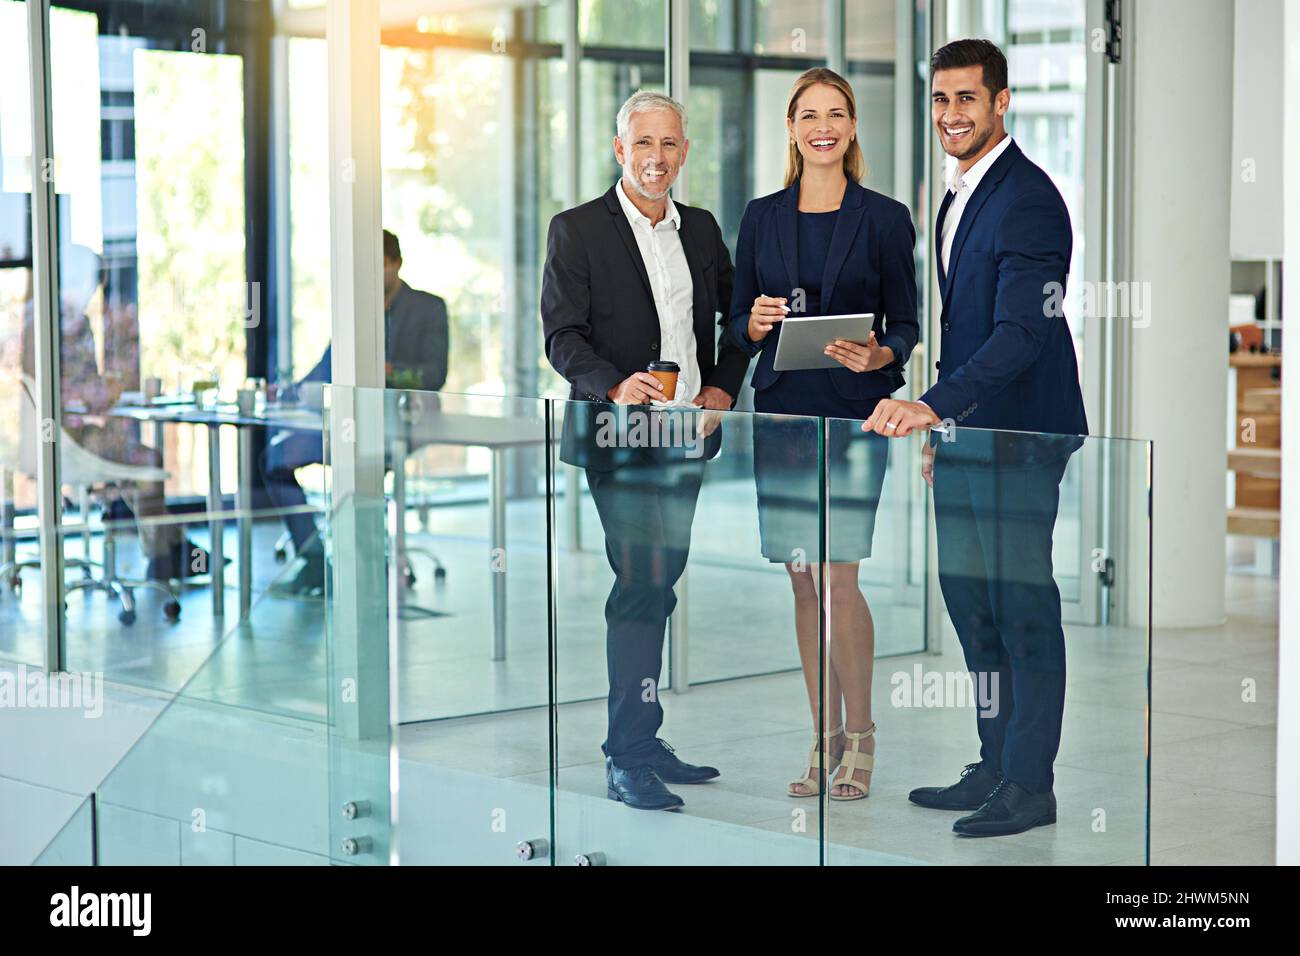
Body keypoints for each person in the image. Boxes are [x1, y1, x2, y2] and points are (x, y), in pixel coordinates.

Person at [862, 39, 1088, 837]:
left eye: (968, 99)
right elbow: (966, 330)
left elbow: (1024, 331)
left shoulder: (1028, 199)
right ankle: (995, 763)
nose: (952, 114)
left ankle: (1032, 784)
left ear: (1001, 103)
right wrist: (944, 424)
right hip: (968, 434)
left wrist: (930, 403)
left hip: (1023, 437)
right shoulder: (958, 195)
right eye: (941, 100)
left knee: (1022, 609)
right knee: (972, 608)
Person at [541, 90, 748, 812]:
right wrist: (612, 385)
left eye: (669, 145)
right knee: (640, 581)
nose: (656, 158)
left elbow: (735, 322)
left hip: (686, 432)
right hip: (619, 434)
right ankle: (627, 754)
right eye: (643, 145)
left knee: (660, 582)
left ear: (683, 152)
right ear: (618, 150)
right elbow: (562, 336)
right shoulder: (576, 230)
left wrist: (723, 388)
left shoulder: (702, 229)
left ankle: (644, 735)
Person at [724, 68, 919, 801]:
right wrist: (754, 321)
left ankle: (862, 732)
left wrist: (884, 353)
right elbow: (736, 320)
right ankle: (822, 733)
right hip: (782, 411)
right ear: (792, 126)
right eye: (810, 114)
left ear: (852, 125)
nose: (823, 126)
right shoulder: (762, 216)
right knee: (803, 580)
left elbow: (905, 322)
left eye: (836, 113)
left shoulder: (883, 217)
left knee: (840, 577)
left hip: (853, 413)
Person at [262, 229, 449, 595]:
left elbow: (435, 374)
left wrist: (389, 371)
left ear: (396, 263)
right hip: (351, 426)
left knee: (364, 465)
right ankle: (314, 559)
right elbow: (323, 371)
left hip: (403, 424)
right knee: (274, 460)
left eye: (379, 265)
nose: (372, 275)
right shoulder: (355, 314)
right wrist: (284, 393)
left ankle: (369, 569)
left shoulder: (428, 307)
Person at [20, 244, 206, 581]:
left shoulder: (43, 315)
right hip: (70, 444)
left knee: (139, 460)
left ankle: (172, 548)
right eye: (93, 282)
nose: (94, 292)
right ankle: (168, 550)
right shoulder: (59, 320)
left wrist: (102, 390)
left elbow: (74, 384)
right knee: (146, 460)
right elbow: (61, 389)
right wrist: (103, 391)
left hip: (62, 437)